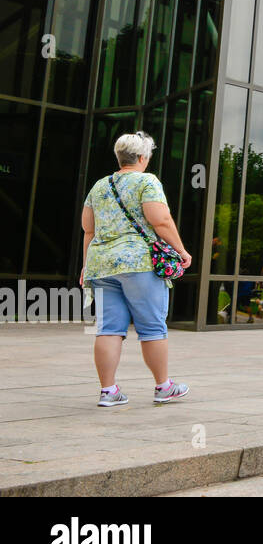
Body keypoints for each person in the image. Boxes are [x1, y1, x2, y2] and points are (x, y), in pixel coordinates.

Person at [80, 132, 192, 408]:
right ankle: (164, 387)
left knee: (108, 329)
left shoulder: (99, 186)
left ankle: (108, 391)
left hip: (102, 265)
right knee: (152, 327)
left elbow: (88, 230)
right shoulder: (147, 181)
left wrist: (86, 265)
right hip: (139, 263)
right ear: (142, 158)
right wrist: (181, 250)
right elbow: (161, 221)